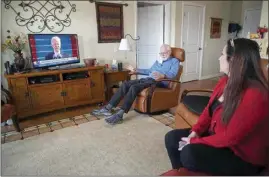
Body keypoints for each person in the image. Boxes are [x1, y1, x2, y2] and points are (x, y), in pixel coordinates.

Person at [164, 38, 269, 175]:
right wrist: (195, 132)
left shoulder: (256, 94)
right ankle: (182, 172)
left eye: (222, 54)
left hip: (241, 155)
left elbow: (230, 137)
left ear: (233, 60)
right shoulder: (225, 81)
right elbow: (208, 112)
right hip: (219, 137)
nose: (219, 58)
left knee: (189, 153)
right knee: (172, 138)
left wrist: (195, 141)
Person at [92, 44, 180, 125]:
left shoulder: (174, 61)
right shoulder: (158, 61)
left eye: (165, 52)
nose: (162, 54)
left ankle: (120, 114)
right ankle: (108, 108)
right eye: (161, 53)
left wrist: (163, 75)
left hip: (158, 82)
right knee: (126, 84)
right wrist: (136, 70)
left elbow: (173, 74)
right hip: (148, 79)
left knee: (134, 87)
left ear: (170, 52)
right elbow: (149, 71)